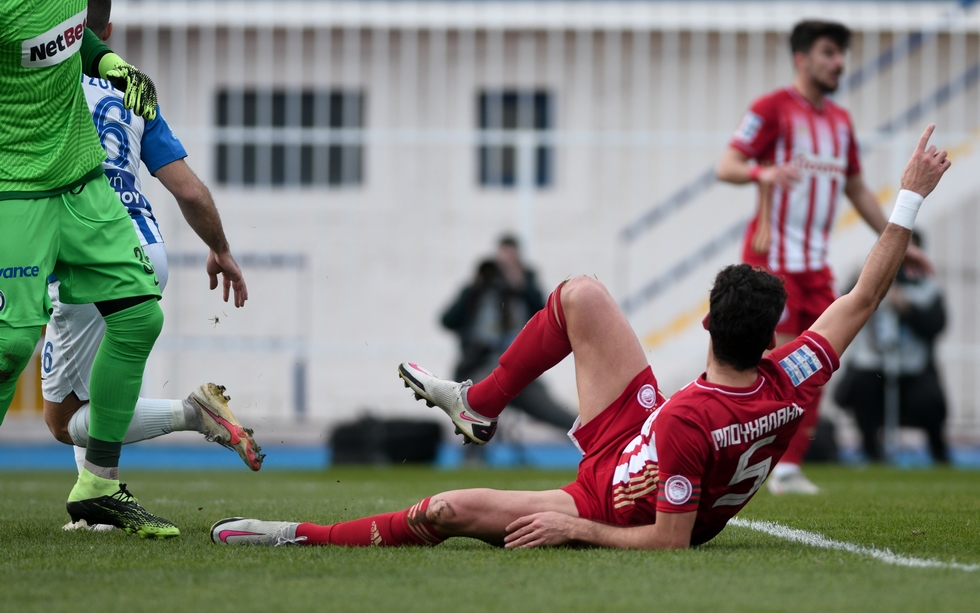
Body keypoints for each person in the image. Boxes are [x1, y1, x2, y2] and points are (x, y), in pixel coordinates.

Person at [210, 125, 949, 550]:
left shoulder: (697, 416)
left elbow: (668, 543)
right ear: (772, 339)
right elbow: (864, 292)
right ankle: (480, 403)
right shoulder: (793, 375)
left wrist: (580, 530)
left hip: (601, 499)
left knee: (443, 510)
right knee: (582, 297)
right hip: (640, 432)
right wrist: (910, 195)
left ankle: (298, 533)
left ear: (705, 324)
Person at [45, 1, 260, 533]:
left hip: (85, 248)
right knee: (98, 385)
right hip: (145, 250)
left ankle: (192, 415)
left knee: (61, 420)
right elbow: (187, 187)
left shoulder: (38, 77)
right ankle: (97, 509)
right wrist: (221, 249)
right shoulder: (134, 89)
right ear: (107, 31)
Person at [2, 0, 214, 538]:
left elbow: (74, 35)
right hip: (17, 188)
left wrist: (110, 64)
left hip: (83, 182)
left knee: (140, 316)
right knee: (10, 343)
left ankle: (98, 488)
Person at [715, 20, 931, 494]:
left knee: (817, 366)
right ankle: (735, 454)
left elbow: (856, 188)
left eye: (841, 54)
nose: (839, 62)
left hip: (816, 265)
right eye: (829, 52)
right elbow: (726, 166)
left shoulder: (840, 121)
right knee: (775, 363)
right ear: (802, 58)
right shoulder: (771, 108)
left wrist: (904, 244)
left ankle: (787, 468)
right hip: (775, 263)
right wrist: (763, 173)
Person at [441, 236, 575, 440]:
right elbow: (447, 320)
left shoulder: (525, 288)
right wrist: (474, 289)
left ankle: (591, 443)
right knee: (473, 407)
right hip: (482, 368)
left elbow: (548, 317)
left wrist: (521, 284)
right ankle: (472, 460)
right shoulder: (478, 291)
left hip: (521, 371)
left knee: (556, 414)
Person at [834, 231, 949, 463]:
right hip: (872, 366)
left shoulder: (929, 289)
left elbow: (936, 325)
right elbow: (840, 308)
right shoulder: (862, 283)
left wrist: (907, 308)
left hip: (912, 370)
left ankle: (939, 454)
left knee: (930, 400)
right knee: (861, 387)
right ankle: (872, 453)